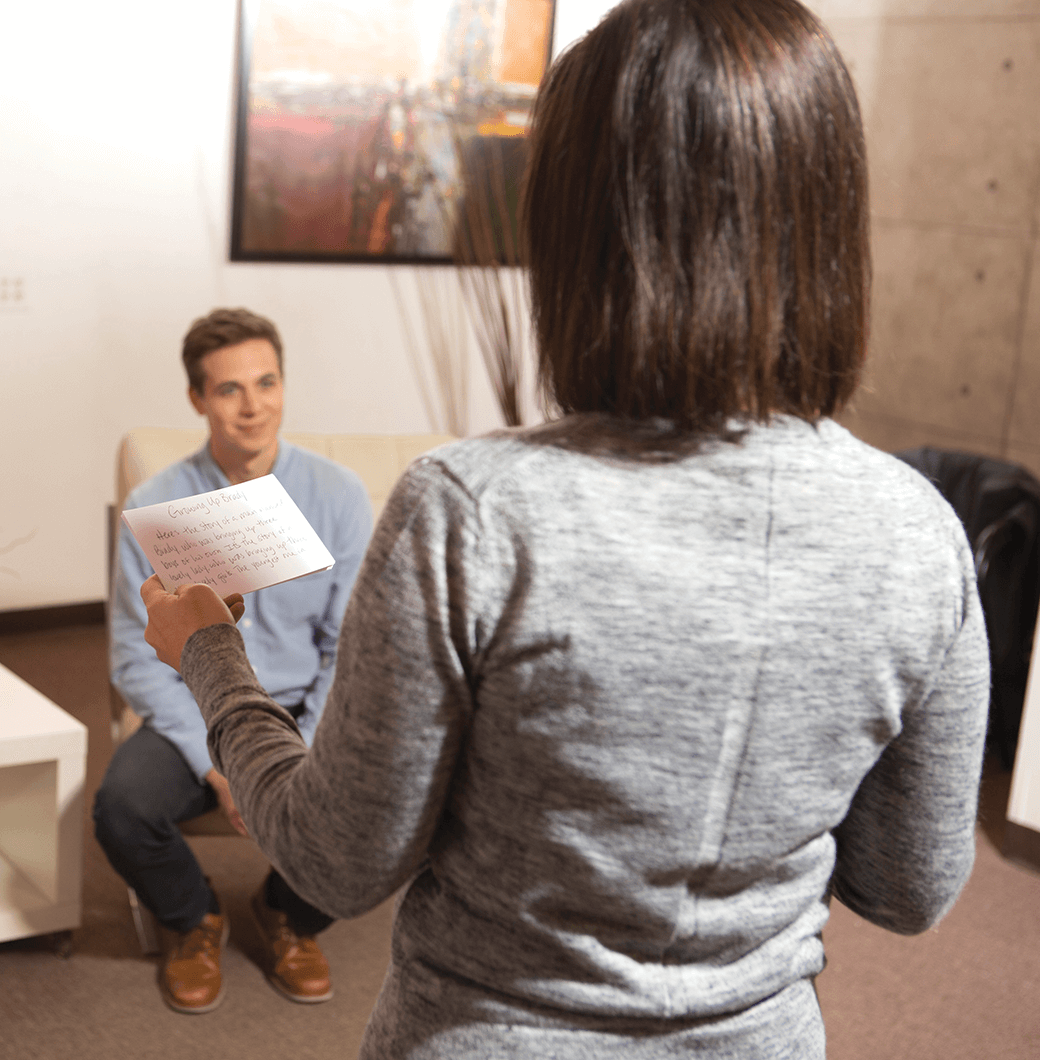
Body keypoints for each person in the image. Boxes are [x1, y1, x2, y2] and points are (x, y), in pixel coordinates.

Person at [138, 3, 990, 1056]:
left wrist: (210, 656)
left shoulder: (473, 510)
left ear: (575, 232)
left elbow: (336, 858)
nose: (251, 405)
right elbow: (907, 888)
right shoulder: (917, 535)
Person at [94, 307, 373, 1014]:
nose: (254, 406)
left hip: (304, 713)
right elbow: (133, 653)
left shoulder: (338, 495)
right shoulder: (155, 505)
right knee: (120, 810)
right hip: (194, 708)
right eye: (229, 389)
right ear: (197, 399)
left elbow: (352, 645)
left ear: (284, 384)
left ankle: (287, 912)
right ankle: (193, 919)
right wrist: (220, 767)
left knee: (381, 804)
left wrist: (300, 752)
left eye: (267, 382)